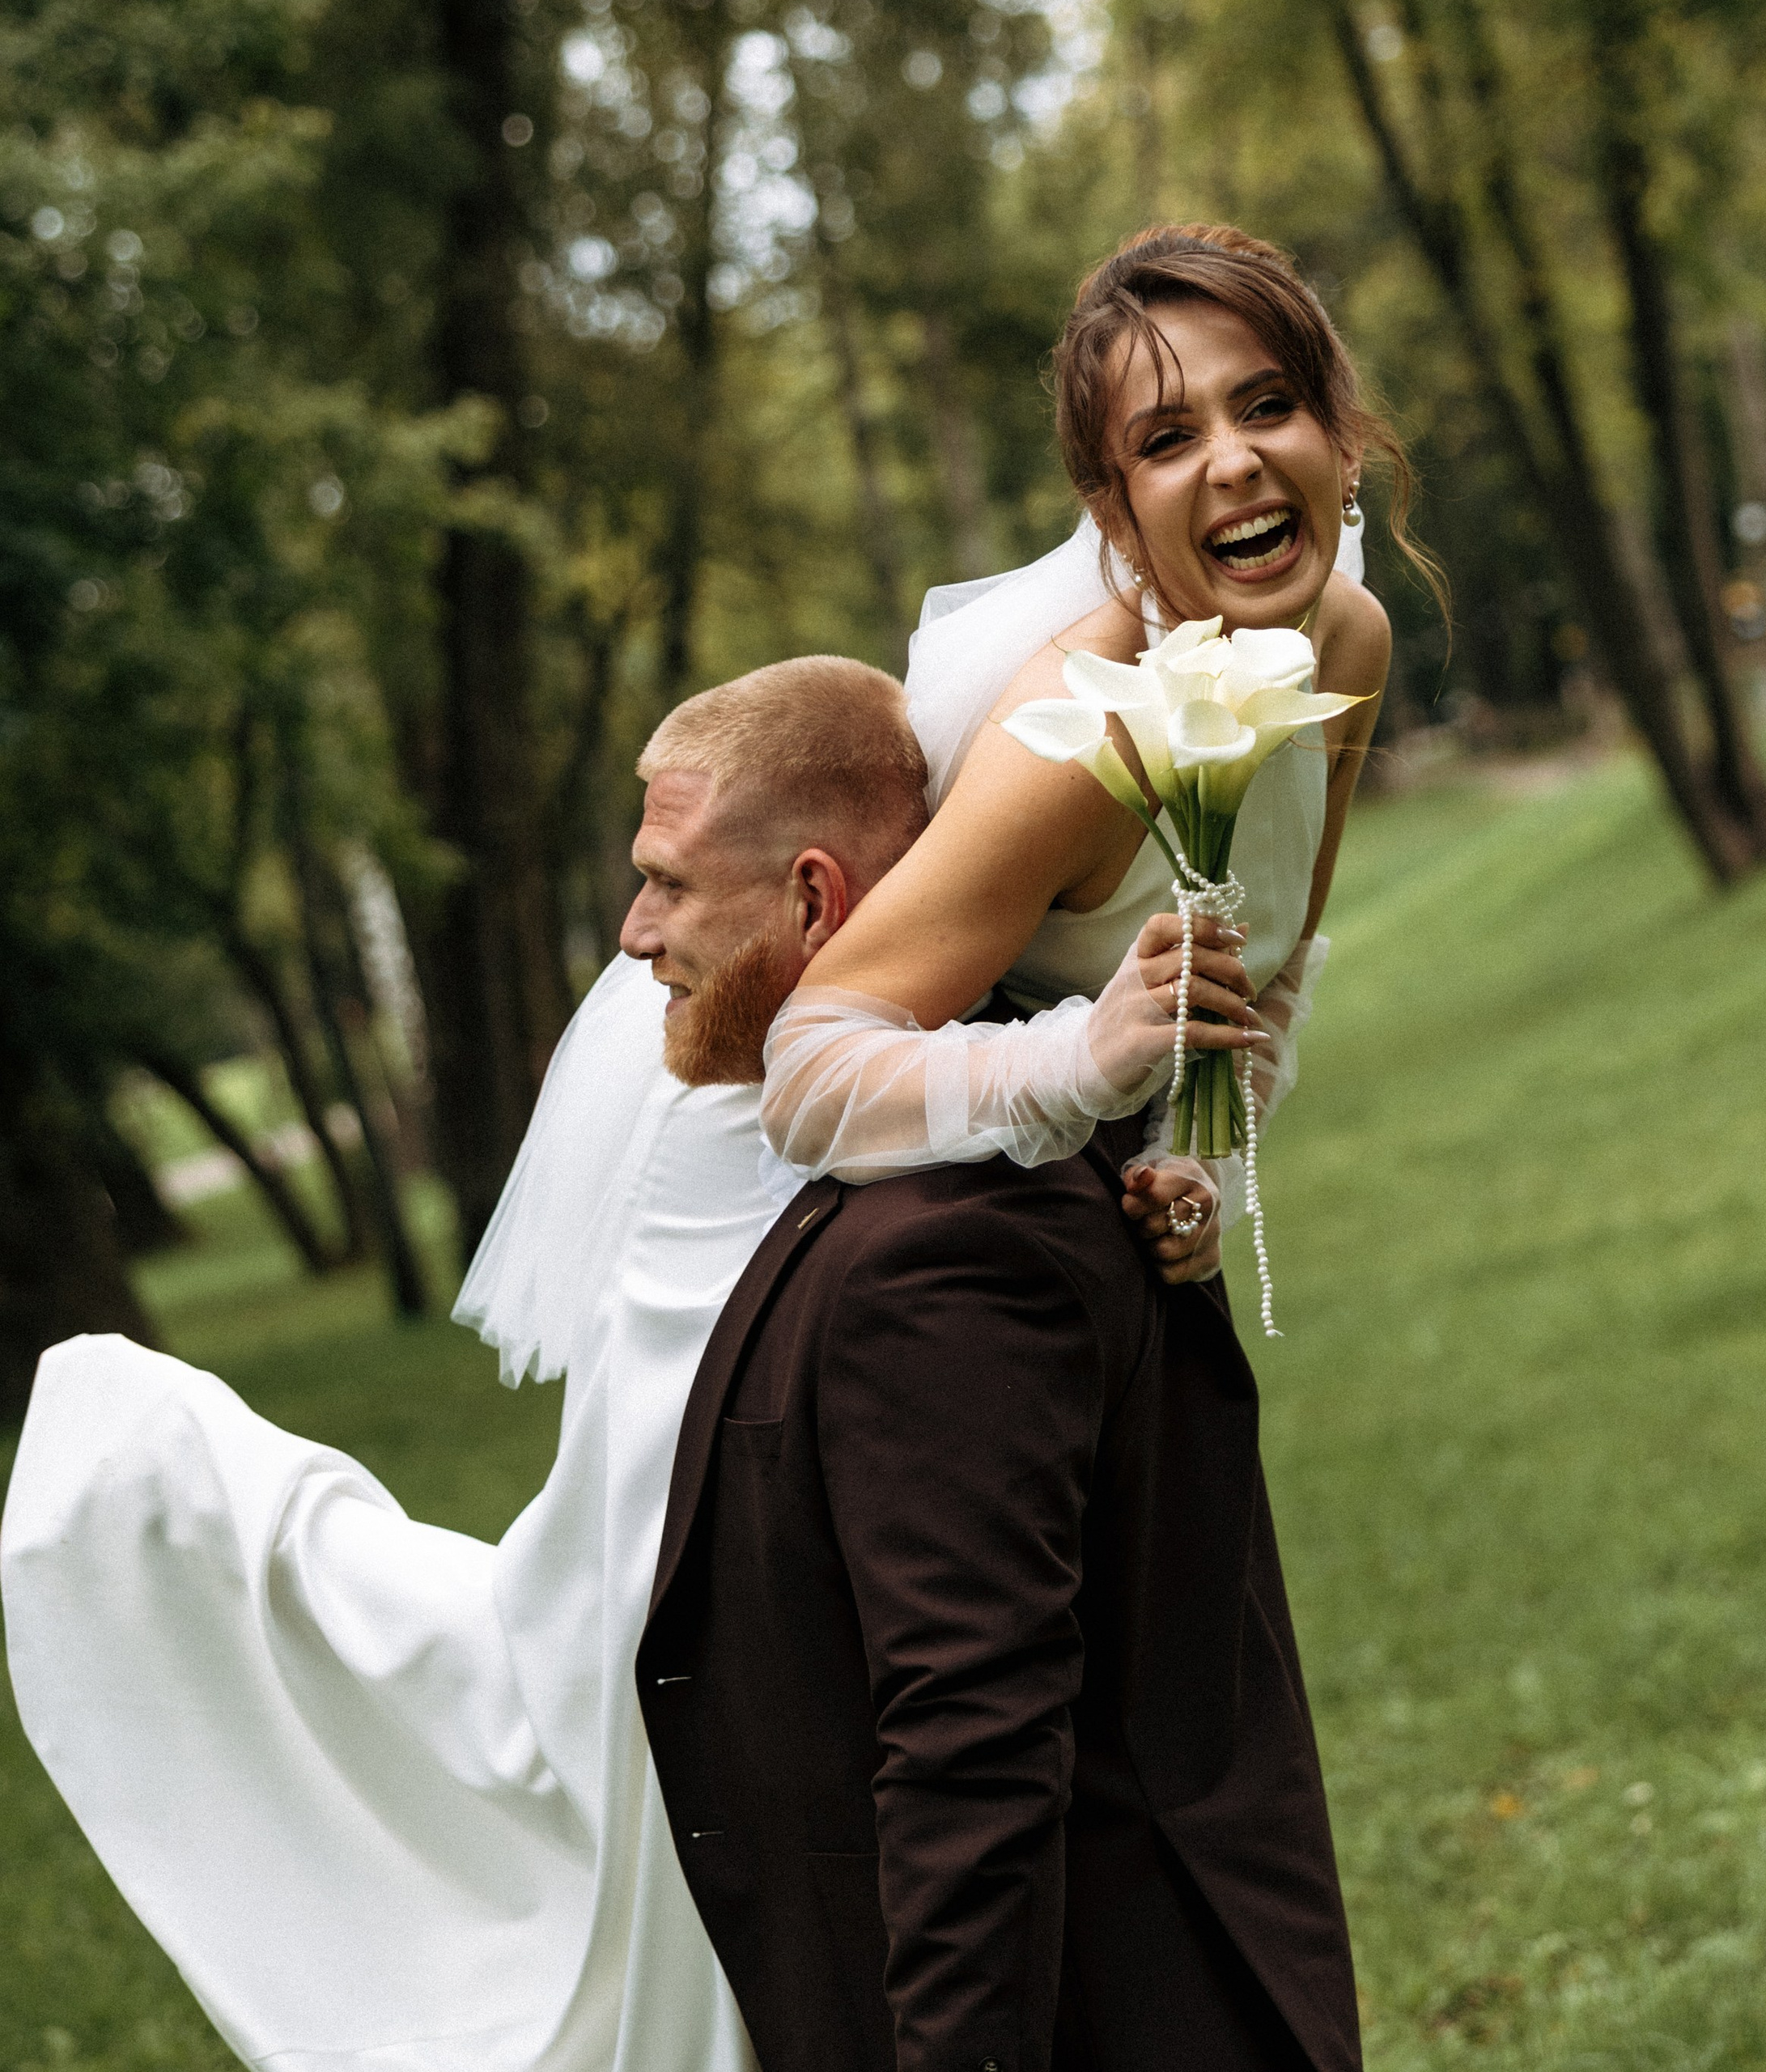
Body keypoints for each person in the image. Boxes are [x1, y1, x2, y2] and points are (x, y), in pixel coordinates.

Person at [1, 220, 1414, 2068]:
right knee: (631, 1687)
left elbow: (1272, 961)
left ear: (1339, 430)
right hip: (790, 1135)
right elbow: (821, 1055)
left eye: (1268, 404)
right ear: (1111, 507)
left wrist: (1194, 1157)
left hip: (1007, 1145)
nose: (1232, 461)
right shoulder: (1080, 730)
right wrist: (1088, 1058)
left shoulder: (1345, 634)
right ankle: (179, 1518)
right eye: (1165, 441)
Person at [625, 677, 1357, 2072]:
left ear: (816, 902)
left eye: (665, 883)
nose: (635, 933)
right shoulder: (920, 1175)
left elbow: (975, 1751)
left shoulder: (944, 1256)